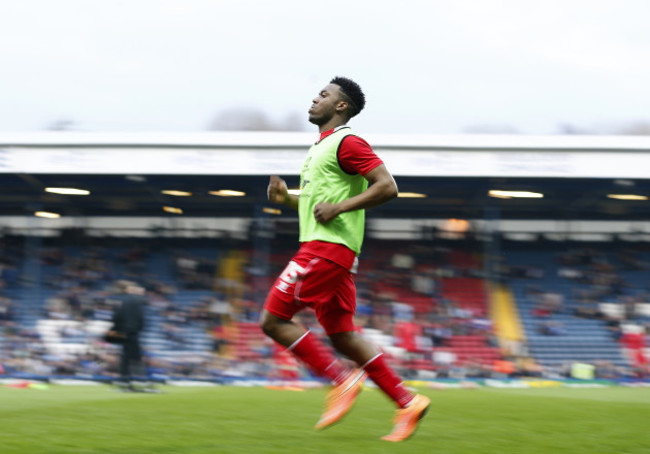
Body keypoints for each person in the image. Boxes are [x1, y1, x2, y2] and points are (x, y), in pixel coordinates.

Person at [260, 76, 430, 442]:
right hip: (336, 254)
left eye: (323, 95)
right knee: (342, 337)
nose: (314, 99)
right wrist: (286, 199)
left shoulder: (347, 142)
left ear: (340, 106)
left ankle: (341, 380)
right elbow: (314, 202)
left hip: (324, 249)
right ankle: (407, 401)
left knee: (273, 320)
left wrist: (340, 207)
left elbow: (387, 186)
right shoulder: (319, 149)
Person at [109, 280, 151, 392]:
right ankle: (141, 384)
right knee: (136, 358)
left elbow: (115, 318)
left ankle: (124, 383)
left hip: (122, 332)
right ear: (129, 289)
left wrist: (115, 332)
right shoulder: (136, 299)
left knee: (125, 358)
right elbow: (141, 315)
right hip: (132, 332)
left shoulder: (119, 299)